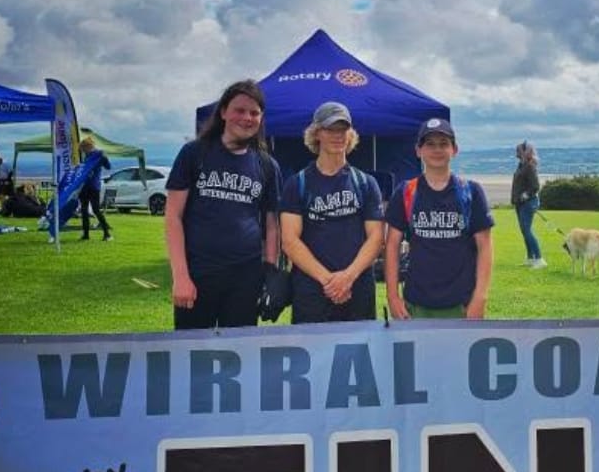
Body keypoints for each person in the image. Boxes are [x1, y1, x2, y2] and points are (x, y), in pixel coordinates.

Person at [165, 79, 282, 330]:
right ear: (223, 112)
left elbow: (272, 224)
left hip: (246, 278)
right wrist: (180, 276)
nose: (247, 118)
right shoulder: (194, 153)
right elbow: (173, 216)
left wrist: (270, 273)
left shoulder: (267, 165)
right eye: (240, 110)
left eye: (254, 113)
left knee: (239, 350)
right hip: (199, 273)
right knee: (194, 350)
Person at [280, 102, 384, 324]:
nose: (337, 135)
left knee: (360, 346)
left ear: (350, 134)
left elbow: (376, 238)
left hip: (357, 289)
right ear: (316, 133)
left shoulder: (366, 183)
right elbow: (289, 241)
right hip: (312, 291)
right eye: (330, 129)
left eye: (343, 129)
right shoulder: (297, 184)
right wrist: (329, 281)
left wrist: (347, 278)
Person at [384, 118, 494, 320]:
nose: (437, 150)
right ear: (418, 150)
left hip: (461, 304)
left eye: (444, 144)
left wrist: (480, 297)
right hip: (415, 304)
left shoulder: (471, 192)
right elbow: (392, 245)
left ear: (454, 150)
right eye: (430, 144)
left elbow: (485, 247)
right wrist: (392, 296)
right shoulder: (406, 192)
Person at [511, 140, 545, 268]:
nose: (516, 151)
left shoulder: (530, 166)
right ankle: (530, 258)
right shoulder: (521, 165)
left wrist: (525, 195)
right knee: (524, 231)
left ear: (526, 152)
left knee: (527, 230)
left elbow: (535, 186)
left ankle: (539, 259)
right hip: (519, 203)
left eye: (518, 149)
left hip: (528, 203)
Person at [77, 137, 113, 241]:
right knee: (84, 210)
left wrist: (105, 158)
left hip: (94, 186)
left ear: (88, 147)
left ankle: (107, 233)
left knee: (96, 210)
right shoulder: (87, 156)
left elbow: (108, 167)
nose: (83, 151)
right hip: (84, 186)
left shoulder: (99, 154)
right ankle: (86, 234)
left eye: (84, 149)